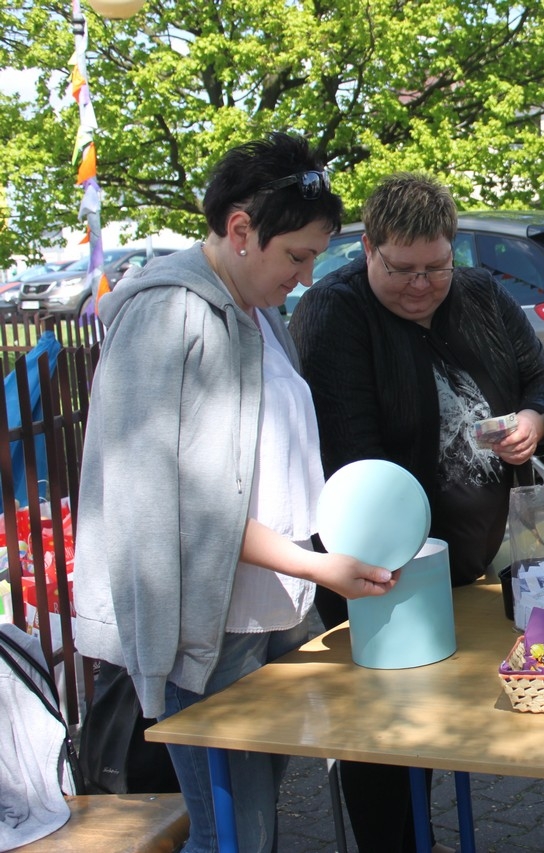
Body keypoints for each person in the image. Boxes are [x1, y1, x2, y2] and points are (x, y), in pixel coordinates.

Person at [73, 132, 398, 853]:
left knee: (243, 832)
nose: (309, 277)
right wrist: (317, 566)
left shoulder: (256, 309)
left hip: (268, 615)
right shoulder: (169, 317)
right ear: (241, 230)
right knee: (235, 839)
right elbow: (178, 503)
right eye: (297, 256)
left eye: (315, 257)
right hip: (208, 632)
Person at [290, 172, 544, 852]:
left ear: (454, 252)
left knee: (435, 724)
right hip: (379, 567)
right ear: (369, 252)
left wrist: (534, 418)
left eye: (435, 268)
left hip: (471, 559)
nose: (421, 284)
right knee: (385, 738)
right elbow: (355, 461)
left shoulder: (479, 295)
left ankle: (421, 837)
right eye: (402, 269)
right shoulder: (335, 315)